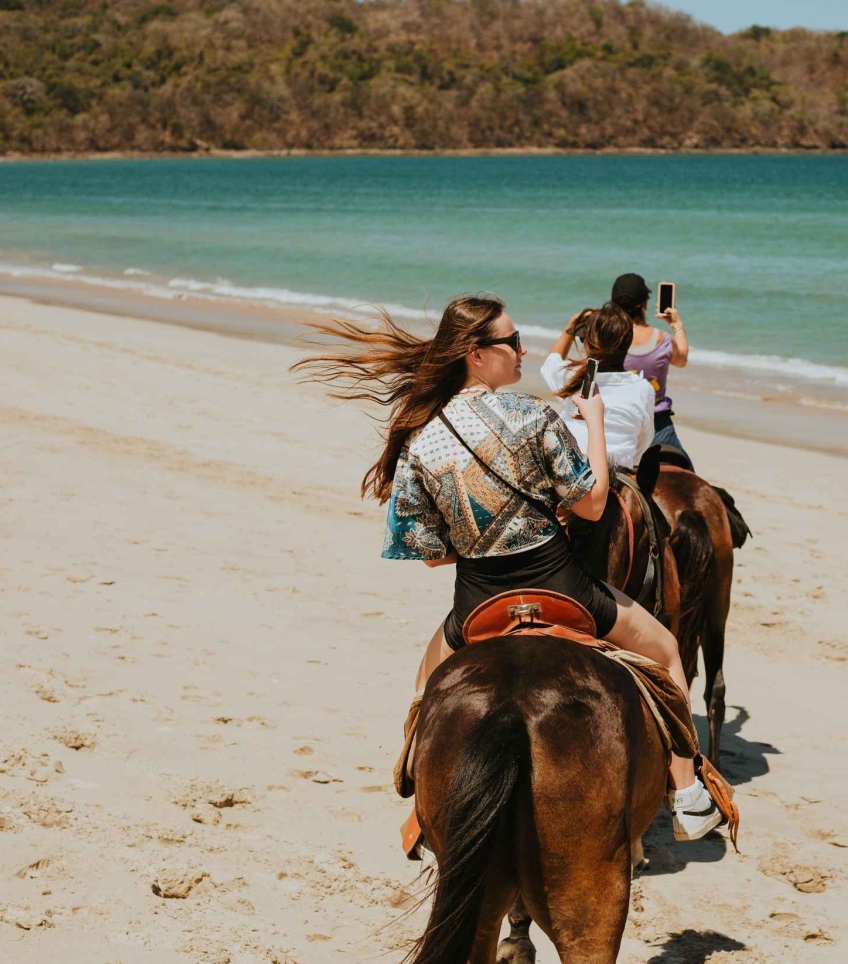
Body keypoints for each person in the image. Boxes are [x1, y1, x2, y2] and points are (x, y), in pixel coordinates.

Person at [292, 293, 722, 841]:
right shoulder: (533, 414)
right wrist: (594, 422)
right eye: (512, 342)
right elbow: (591, 504)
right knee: (665, 651)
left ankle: (423, 804)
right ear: (476, 353)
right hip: (561, 588)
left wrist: (477, 537)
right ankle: (687, 798)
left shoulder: (422, 440)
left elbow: (428, 554)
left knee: (426, 689)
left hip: (477, 604)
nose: (523, 350)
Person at [539, 302, 654, 470]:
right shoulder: (643, 388)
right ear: (628, 343)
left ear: (588, 342)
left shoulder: (570, 377)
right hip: (619, 473)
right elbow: (644, 442)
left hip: (572, 470)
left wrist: (571, 326)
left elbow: (551, 361)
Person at [610, 272, 692, 464]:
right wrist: (677, 324)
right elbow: (681, 360)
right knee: (686, 470)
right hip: (658, 425)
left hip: (620, 420)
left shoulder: (608, 339)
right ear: (645, 305)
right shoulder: (663, 340)